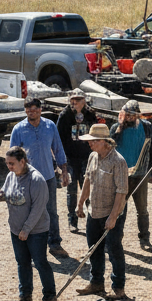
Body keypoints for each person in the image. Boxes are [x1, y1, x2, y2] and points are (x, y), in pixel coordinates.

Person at [0, 146, 57, 301]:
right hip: (16, 229)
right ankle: (25, 296)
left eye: (12, 163)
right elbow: (5, 193)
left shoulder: (36, 180)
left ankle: (50, 297)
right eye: (7, 163)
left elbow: (38, 208)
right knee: (22, 262)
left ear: (22, 161)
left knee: (40, 262)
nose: (9, 166)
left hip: (36, 231)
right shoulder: (11, 176)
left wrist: (26, 229)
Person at [10, 97, 70, 258]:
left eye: (35, 109)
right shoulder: (18, 129)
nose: (32, 113)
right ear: (25, 111)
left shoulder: (50, 126)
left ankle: (55, 243)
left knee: (51, 211)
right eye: (29, 110)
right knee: (27, 212)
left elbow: (58, 149)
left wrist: (64, 170)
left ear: (40, 110)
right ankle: (29, 246)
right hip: (27, 179)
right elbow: (12, 156)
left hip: (48, 177)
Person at [75, 124, 129, 301]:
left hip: (112, 212)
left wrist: (113, 217)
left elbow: (122, 191)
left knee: (114, 249)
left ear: (104, 141)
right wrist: (80, 203)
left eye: (93, 141)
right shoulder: (93, 156)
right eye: (89, 141)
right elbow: (88, 179)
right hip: (94, 210)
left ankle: (118, 287)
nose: (90, 144)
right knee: (94, 248)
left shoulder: (118, 161)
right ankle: (96, 282)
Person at [111, 100, 152, 251]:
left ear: (138, 115)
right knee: (119, 209)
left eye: (132, 115)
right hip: (122, 176)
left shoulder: (147, 128)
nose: (129, 118)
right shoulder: (116, 128)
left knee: (142, 209)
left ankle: (144, 238)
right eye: (127, 115)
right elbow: (108, 150)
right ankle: (116, 240)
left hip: (141, 174)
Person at [56, 89, 99, 235]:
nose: (75, 102)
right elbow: (58, 137)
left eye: (78, 100)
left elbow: (95, 133)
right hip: (71, 158)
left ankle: (92, 220)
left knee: (89, 189)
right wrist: (61, 160)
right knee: (72, 190)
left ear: (84, 101)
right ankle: (72, 220)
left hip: (87, 157)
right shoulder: (65, 115)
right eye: (73, 100)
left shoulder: (90, 114)